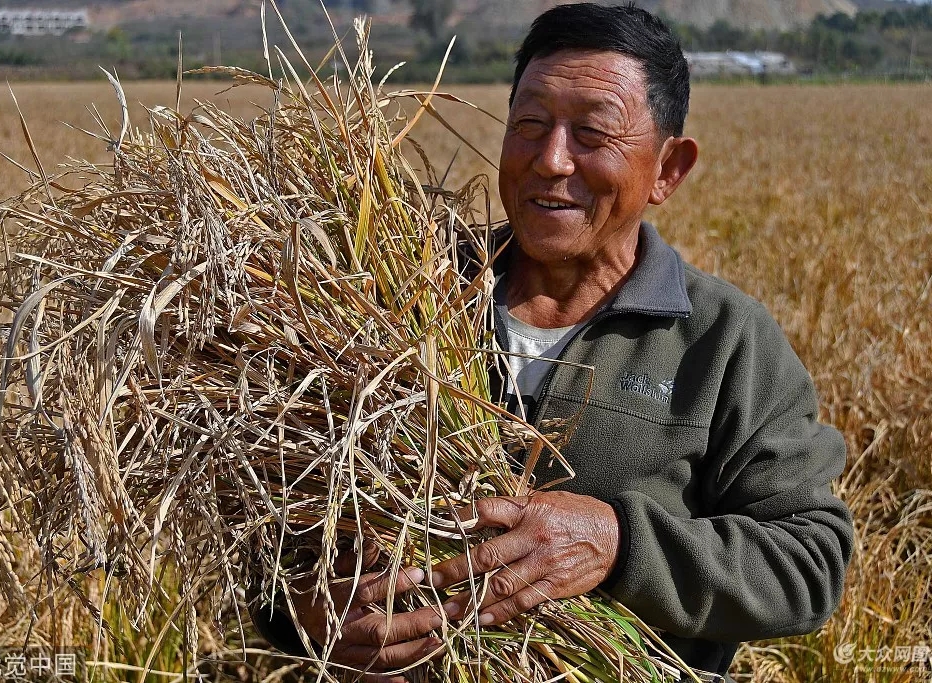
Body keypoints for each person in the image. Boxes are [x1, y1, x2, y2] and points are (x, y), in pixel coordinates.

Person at [249, 4, 854, 681]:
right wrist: (300, 607)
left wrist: (617, 544)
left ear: (668, 170)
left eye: (592, 134)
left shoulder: (722, 341)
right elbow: (269, 512)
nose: (551, 159)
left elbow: (809, 560)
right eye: (530, 125)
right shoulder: (394, 297)